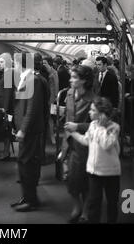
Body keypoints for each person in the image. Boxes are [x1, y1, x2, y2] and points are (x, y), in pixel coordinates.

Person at [66, 97, 121, 223]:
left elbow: (106, 144)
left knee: (112, 203)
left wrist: (101, 127)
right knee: (94, 203)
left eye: (92, 110)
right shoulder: (92, 125)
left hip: (111, 173)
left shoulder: (114, 127)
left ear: (101, 113)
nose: (89, 112)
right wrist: (73, 133)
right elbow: (86, 141)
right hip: (93, 171)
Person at [11, 52, 49, 212]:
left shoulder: (33, 80)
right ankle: (27, 197)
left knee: (27, 163)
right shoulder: (29, 78)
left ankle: (31, 200)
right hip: (26, 129)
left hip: (30, 131)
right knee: (24, 163)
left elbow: (32, 109)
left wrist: (23, 130)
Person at [64, 65, 94, 223]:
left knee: (85, 180)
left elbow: (98, 126)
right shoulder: (68, 93)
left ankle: (85, 211)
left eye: (74, 77)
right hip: (70, 143)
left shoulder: (93, 99)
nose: (70, 79)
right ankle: (77, 206)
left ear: (84, 80)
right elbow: (66, 119)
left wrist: (79, 127)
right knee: (72, 179)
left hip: (86, 144)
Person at [0, 53, 15, 160]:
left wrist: (5, 108)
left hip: (6, 107)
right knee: (6, 128)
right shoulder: (5, 73)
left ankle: (6, 153)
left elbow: (8, 92)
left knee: (6, 128)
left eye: (2, 62)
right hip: (3, 106)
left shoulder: (8, 74)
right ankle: (6, 152)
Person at [43, 56, 59, 146]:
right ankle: (49, 136)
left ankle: (52, 137)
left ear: (49, 64)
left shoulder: (54, 72)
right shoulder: (44, 72)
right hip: (46, 98)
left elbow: (56, 86)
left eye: (45, 63)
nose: (43, 64)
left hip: (51, 98)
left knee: (50, 118)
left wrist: (56, 98)